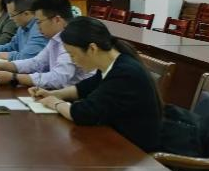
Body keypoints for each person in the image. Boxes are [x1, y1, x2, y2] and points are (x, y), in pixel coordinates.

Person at [29, 17, 162, 152]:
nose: (72, 61)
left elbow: (83, 113)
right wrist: (53, 94)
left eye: (72, 55)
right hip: (115, 137)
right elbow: (85, 88)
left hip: (134, 149)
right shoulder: (112, 64)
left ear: (92, 48)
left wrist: (54, 103)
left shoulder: (125, 73)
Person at [0, 0, 93, 88]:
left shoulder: (73, 38)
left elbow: (58, 78)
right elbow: (37, 63)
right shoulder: (55, 38)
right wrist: (1, 66)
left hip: (78, 99)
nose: (37, 27)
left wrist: (14, 78)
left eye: (39, 22)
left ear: (57, 20)